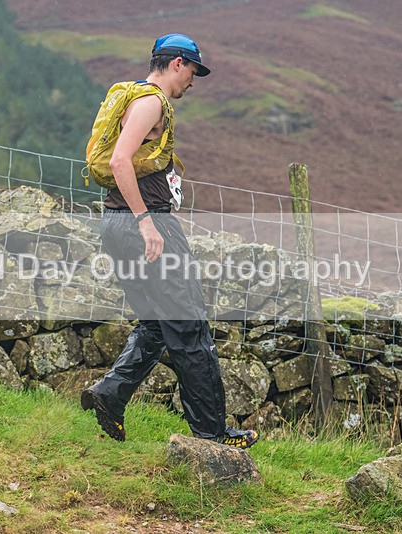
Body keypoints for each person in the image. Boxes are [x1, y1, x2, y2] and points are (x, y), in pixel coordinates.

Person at [81, 33, 259, 449]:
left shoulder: (133, 97)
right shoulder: (151, 102)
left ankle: (110, 394)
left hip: (115, 224)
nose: (193, 81)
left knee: (156, 323)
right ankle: (213, 434)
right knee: (190, 326)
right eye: (193, 71)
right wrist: (147, 223)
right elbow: (119, 161)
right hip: (145, 225)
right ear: (177, 63)